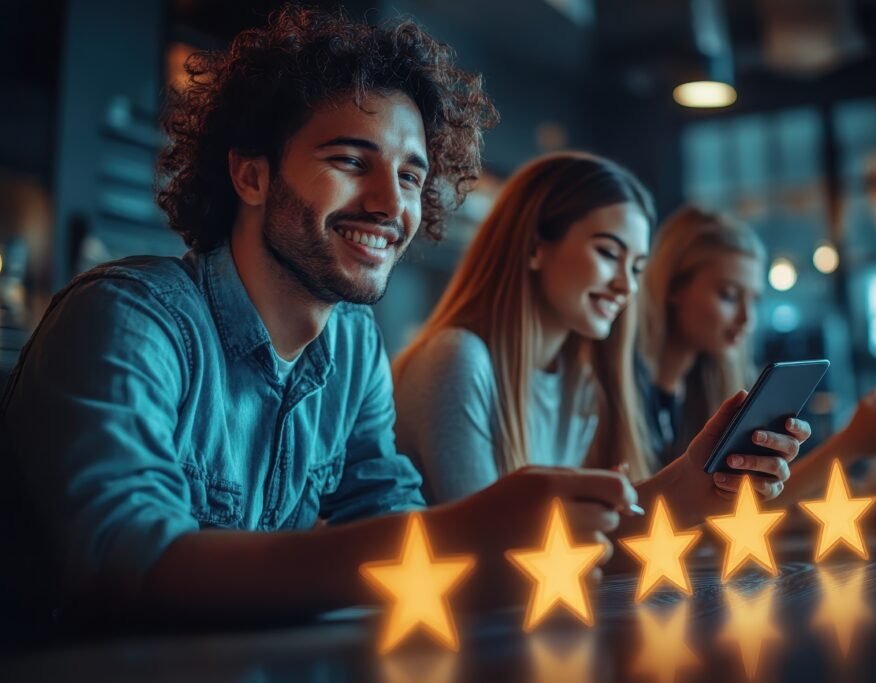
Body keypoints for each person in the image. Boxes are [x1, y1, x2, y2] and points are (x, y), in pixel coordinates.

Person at [0, 6, 638, 630]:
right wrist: (461, 534)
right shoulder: (128, 319)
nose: (391, 205)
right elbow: (129, 563)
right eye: (351, 162)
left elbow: (384, 512)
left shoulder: (354, 347)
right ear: (251, 176)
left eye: (411, 177)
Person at [392, 152, 812, 535]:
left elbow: (570, 546)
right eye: (609, 253)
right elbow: (489, 550)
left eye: (636, 267)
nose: (625, 285)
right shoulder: (457, 360)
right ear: (536, 245)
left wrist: (699, 478)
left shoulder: (580, 381)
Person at [636, 207, 876, 502]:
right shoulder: (628, 395)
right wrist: (850, 444)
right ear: (673, 287)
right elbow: (714, 517)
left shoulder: (705, 390)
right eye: (728, 295)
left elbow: (738, 507)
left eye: (753, 300)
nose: (746, 319)